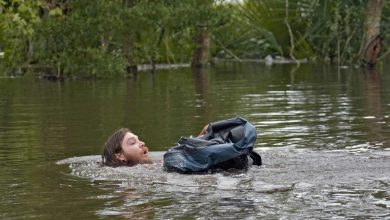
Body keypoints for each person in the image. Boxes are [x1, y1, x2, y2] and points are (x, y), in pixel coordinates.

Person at [102, 125, 209, 167]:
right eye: (133, 142)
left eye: (139, 140)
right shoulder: (132, 173)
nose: (142, 143)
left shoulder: (156, 164)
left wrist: (200, 139)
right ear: (120, 156)